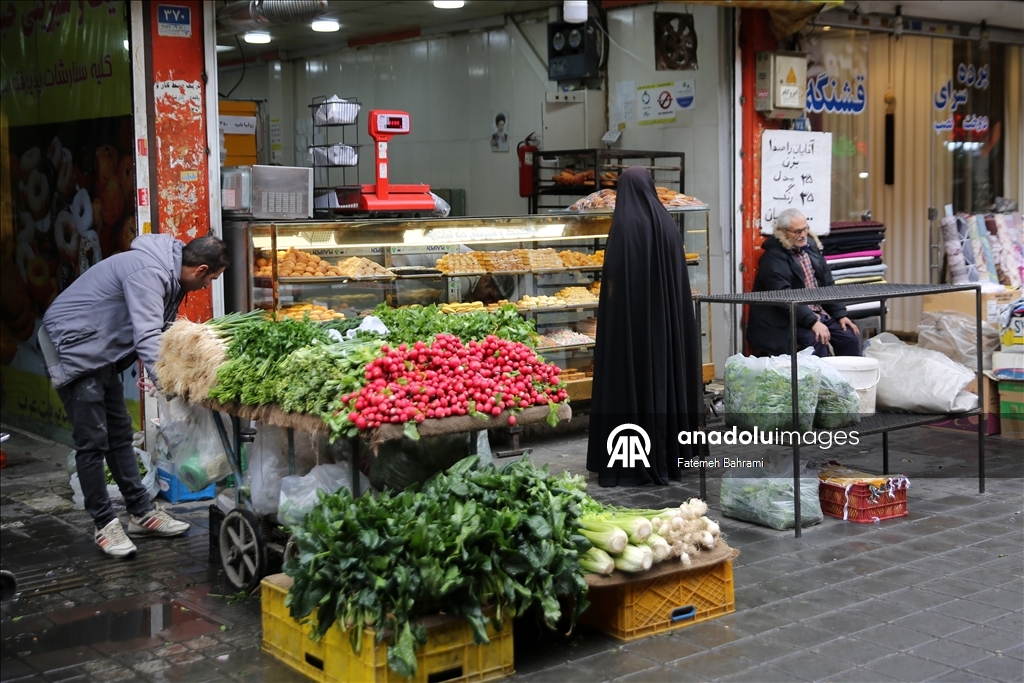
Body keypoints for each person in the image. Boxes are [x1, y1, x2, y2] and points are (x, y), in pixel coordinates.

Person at [40, 233, 229, 559]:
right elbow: (146, 338)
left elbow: (161, 333)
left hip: (101, 350)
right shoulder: (149, 271)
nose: (207, 285)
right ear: (199, 269)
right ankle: (104, 524)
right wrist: (170, 387)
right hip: (72, 346)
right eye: (211, 278)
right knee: (92, 441)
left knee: (120, 435)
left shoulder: (169, 278)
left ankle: (141, 513)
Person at [585, 167, 703, 486]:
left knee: (630, 383)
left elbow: (615, 284)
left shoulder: (623, 225)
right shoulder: (667, 223)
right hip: (665, 326)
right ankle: (669, 454)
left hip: (630, 327)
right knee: (664, 379)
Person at [747, 208, 861, 358]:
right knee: (817, 340)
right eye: (797, 231)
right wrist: (813, 322)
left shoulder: (811, 249)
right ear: (782, 231)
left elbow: (827, 284)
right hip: (785, 321)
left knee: (849, 336)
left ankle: (848, 379)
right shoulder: (774, 258)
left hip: (815, 314)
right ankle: (819, 381)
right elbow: (783, 296)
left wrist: (840, 314)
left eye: (805, 229)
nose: (803, 235)